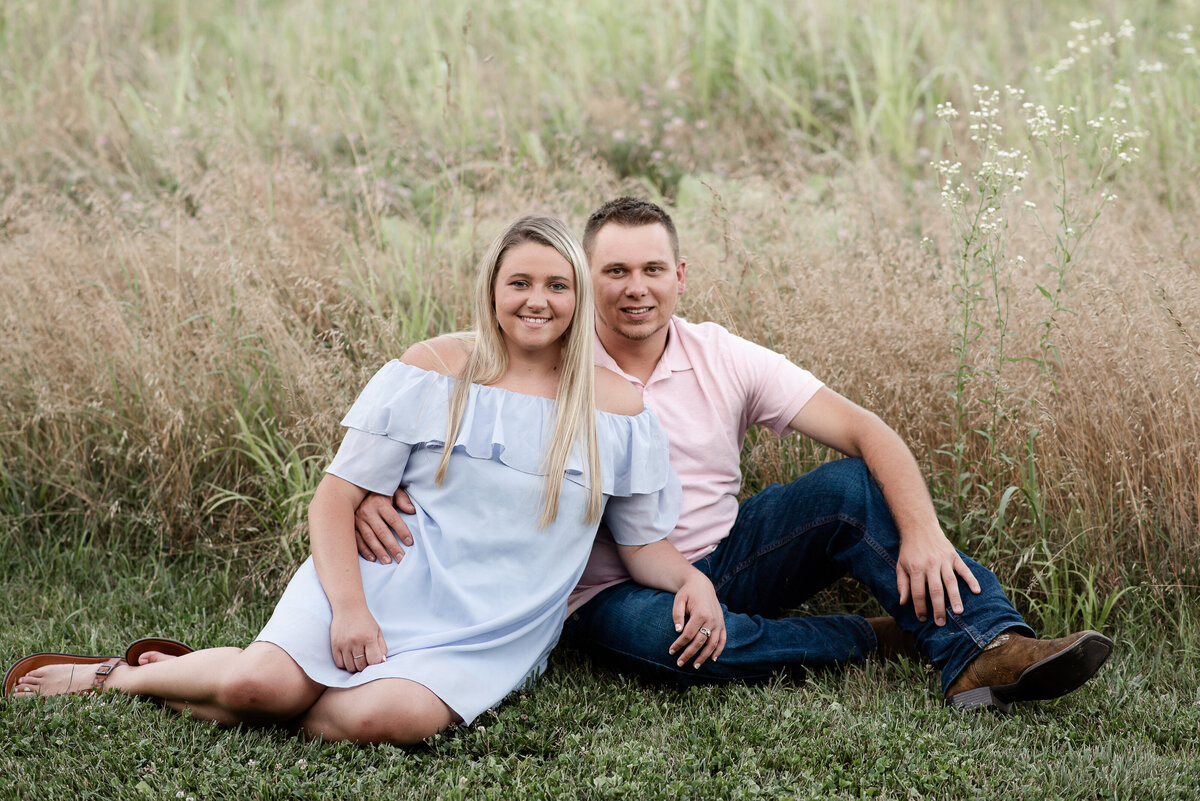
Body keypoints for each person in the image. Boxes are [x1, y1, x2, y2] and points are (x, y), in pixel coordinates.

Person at [353, 198, 1113, 713]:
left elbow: (867, 432)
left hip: (732, 555)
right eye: (614, 271)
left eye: (653, 269)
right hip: (611, 590)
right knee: (661, 642)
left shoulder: (724, 354)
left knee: (850, 485)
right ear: (587, 283)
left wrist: (924, 532)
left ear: (679, 277)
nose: (635, 288)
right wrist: (374, 494)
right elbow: (448, 422)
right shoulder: (547, 360)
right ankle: (873, 636)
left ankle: (988, 646)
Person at [3, 215, 726, 745]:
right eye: (519, 283)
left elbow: (641, 547)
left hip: (487, 625)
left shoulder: (618, 406)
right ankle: (121, 675)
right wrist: (351, 609)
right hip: (383, 580)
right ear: (493, 289)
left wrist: (692, 581)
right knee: (262, 685)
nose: (537, 300)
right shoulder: (434, 367)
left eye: (557, 285)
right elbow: (335, 500)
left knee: (375, 718)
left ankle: (233, 689)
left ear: (579, 296)